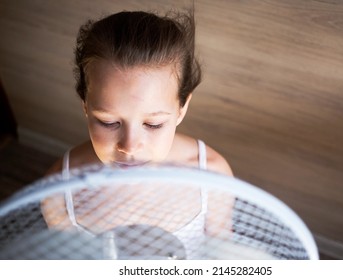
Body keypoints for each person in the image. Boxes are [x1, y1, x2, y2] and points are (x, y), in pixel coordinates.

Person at [41, 10, 233, 259]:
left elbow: (221, 257)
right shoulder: (59, 192)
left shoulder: (211, 177)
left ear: (181, 109)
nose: (129, 147)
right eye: (108, 122)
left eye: (153, 124)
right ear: (85, 106)